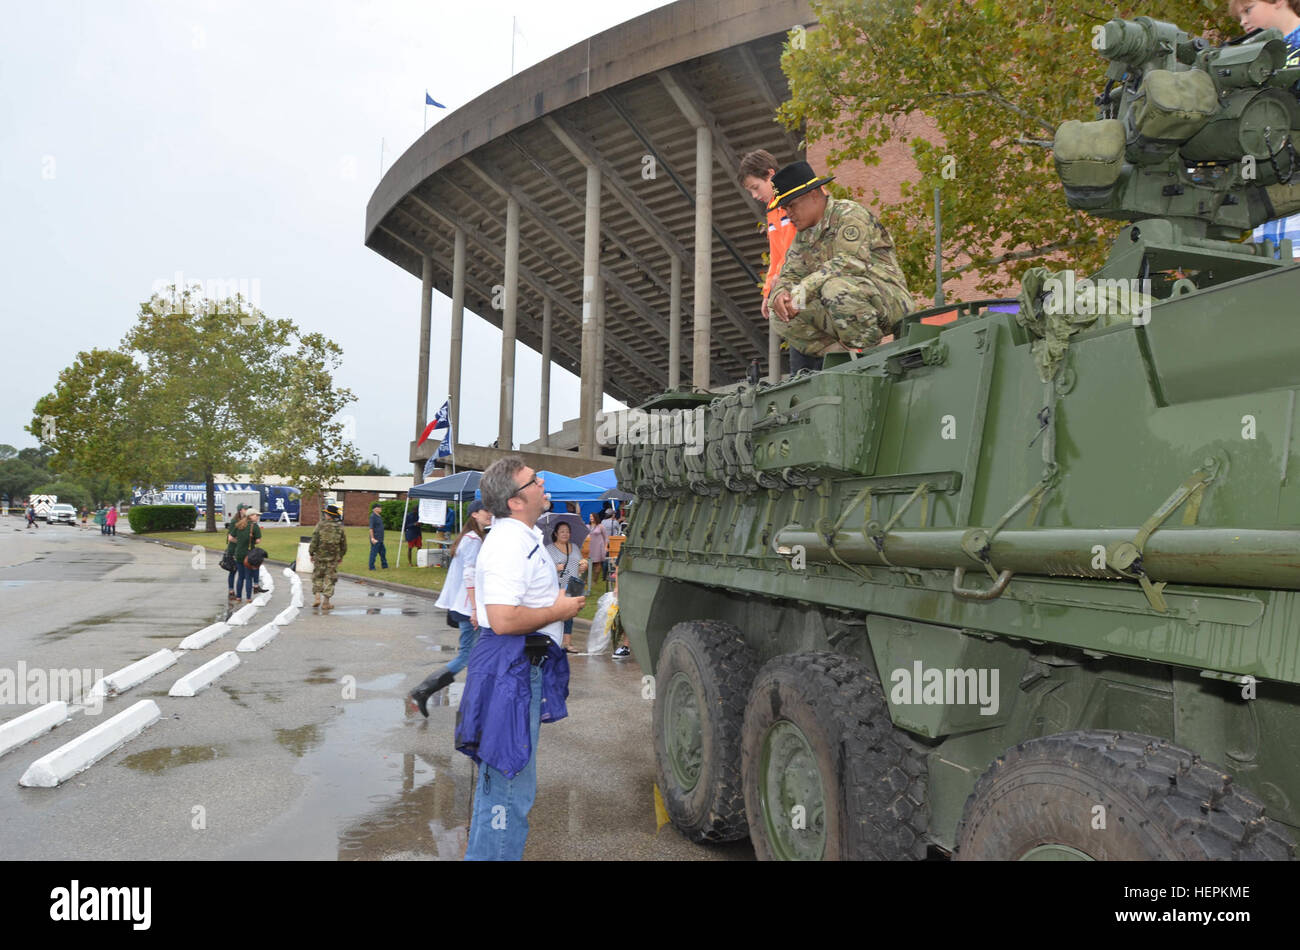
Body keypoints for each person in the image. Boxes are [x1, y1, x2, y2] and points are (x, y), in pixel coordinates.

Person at [454, 457, 585, 861]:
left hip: (517, 667)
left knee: (505, 781)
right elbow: (504, 618)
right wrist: (558, 612)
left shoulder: (521, 536)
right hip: (512, 670)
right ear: (514, 501)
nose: (542, 482)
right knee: (509, 782)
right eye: (532, 480)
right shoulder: (511, 542)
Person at [767, 160, 914, 360]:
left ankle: (869, 357)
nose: (788, 214)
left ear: (813, 195)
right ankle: (841, 359)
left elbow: (848, 262)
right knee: (778, 312)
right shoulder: (803, 237)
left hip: (888, 302)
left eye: (791, 205)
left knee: (834, 287)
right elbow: (790, 274)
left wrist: (804, 288)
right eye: (784, 208)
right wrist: (779, 294)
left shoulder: (849, 214)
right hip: (843, 305)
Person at [409, 500, 493, 715]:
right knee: (468, 656)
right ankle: (424, 690)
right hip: (468, 608)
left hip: (465, 606)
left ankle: (475, 703)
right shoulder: (473, 540)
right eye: (486, 511)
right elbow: (469, 574)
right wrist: (475, 609)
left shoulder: (471, 538)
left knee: (476, 655)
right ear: (474, 514)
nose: (490, 514)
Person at [1233, 0, 1300, 257]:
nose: (1243, 22)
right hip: (1269, 201)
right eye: (1239, 16)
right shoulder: (1250, 60)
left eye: (1248, 10)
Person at [740, 149, 815, 372]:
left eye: (756, 187)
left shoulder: (793, 204)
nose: (755, 196)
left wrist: (778, 286)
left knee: (809, 357)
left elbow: (795, 251)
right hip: (790, 291)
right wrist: (767, 293)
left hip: (804, 286)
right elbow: (776, 256)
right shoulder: (772, 211)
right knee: (800, 359)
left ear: (770, 175)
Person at [547, 521, 588, 654]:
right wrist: (555, 568)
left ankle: (567, 643)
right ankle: (555, 641)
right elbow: (543, 568)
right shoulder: (549, 549)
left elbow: (579, 563)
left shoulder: (575, 547)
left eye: (567, 531)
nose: (565, 534)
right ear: (555, 533)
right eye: (562, 531)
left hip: (574, 584)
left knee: (570, 614)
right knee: (558, 614)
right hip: (558, 585)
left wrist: (583, 566)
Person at [309, 503, 347, 610]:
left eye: (326, 513)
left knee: (317, 576)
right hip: (333, 558)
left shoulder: (320, 525)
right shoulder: (339, 528)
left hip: (319, 556)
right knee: (330, 578)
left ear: (329, 515)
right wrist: (341, 556)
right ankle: (326, 602)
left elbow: (314, 540)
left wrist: (311, 553)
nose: (325, 515)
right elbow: (343, 544)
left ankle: (317, 597)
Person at [226, 506, 261, 604]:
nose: (257, 517)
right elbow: (258, 541)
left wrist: (239, 542)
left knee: (240, 576)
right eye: (256, 515)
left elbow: (230, 538)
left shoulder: (239, 525)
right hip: (249, 555)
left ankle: (238, 597)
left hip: (239, 553)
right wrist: (252, 542)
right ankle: (249, 598)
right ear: (250, 516)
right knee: (248, 577)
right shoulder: (254, 526)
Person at [368, 502, 388, 570]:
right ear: (375, 509)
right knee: (374, 553)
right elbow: (371, 528)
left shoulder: (379, 516)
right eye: (379, 507)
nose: (380, 508)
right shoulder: (373, 516)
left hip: (380, 538)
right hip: (376, 538)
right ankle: (371, 567)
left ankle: (385, 566)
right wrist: (372, 538)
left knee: (383, 552)